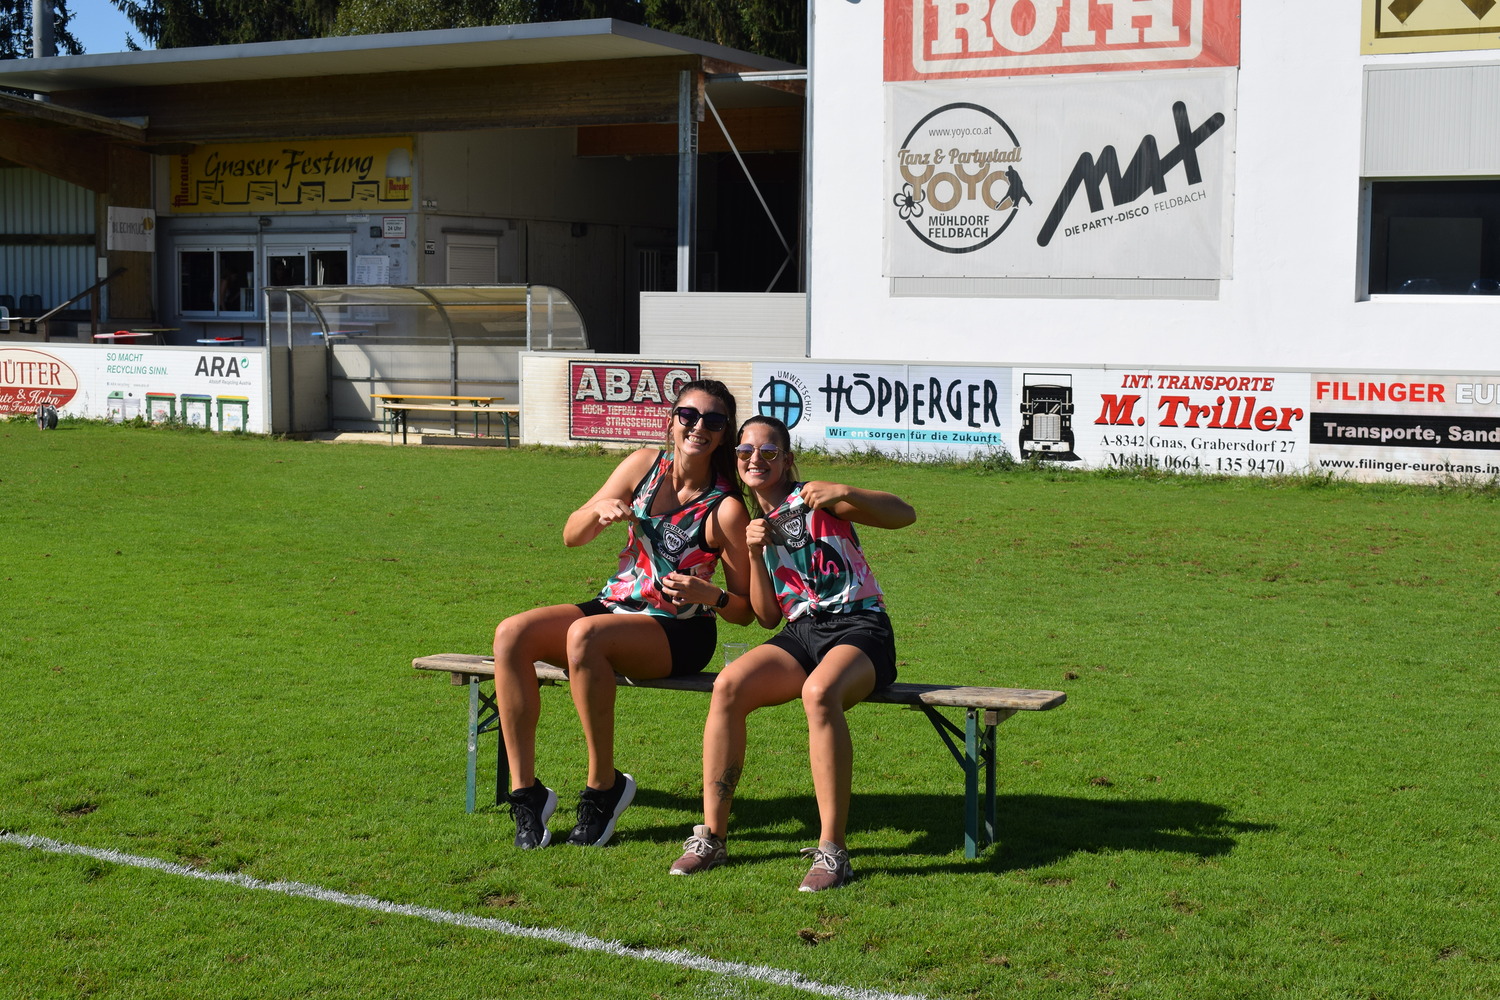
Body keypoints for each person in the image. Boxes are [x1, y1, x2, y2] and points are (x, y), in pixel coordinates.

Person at [493, 380, 754, 850]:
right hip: (616, 606)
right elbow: (571, 535)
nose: (698, 427)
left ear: (723, 435)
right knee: (512, 634)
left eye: (713, 421)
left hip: (680, 630)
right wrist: (600, 511)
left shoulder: (726, 508)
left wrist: (710, 594)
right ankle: (527, 793)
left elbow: (746, 611)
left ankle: (603, 787)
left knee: (586, 635)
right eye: (688, 415)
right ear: (672, 420)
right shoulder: (642, 465)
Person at [670, 415, 916, 890]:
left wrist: (846, 490)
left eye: (768, 452)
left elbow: (904, 514)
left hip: (860, 625)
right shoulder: (755, 524)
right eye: (745, 452)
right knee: (728, 685)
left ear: (787, 459)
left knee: (819, 693)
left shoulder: (817, 497)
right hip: (801, 632)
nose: (755, 459)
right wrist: (755, 553)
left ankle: (833, 851)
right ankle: (712, 838)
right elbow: (766, 618)